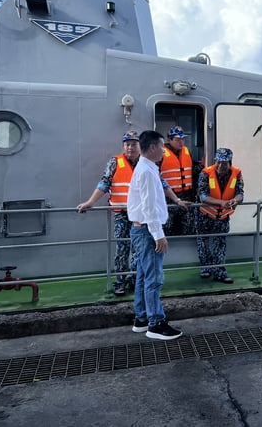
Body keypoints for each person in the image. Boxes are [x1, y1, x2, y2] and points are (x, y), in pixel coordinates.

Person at [77, 130, 189, 296]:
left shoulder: (148, 163)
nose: (130, 147)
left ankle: (136, 279)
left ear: (140, 146)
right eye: (127, 144)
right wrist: (90, 202)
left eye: (133, 144)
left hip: (142, 217)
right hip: (123, 214)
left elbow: (162, 183)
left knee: (140, 252)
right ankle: (121, 281)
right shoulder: (115, 163)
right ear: (123, 146)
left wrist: (177, 200)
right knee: (122, 248)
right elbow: (104, 183)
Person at [127, 130, 183, 340]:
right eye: (162, 146)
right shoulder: (147, 171)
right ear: (152, 147)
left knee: (143, 276)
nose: (164, 151)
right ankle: (156, 323)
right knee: (154, 278)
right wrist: (158, 235)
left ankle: (141, 318)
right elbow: (149, 207)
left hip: (141, 229)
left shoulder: (146, 168)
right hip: (148, 231)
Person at [196, 147, 244, 283]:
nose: (221, 165)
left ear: (230, 163)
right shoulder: (205, 173)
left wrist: (236, 200)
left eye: (224, 163)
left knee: (220, 245)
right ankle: (205, 267)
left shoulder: (237, 173)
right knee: (202, 242)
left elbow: (240, 193)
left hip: (223, 217)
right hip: (204, 215)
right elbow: (203, 196)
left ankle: (219, 272)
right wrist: (221, 202)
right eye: (218, 162)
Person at [160, 126, 197, 236]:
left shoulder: (186, 151)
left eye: (182, 139)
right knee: (167, 227)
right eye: (177, 140)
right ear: (169, 140)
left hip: (186, 195)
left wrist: (201, 166)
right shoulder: (161, 153)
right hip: (168, 196)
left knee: (188, 226)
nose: (181, 142)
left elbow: (192, 170)